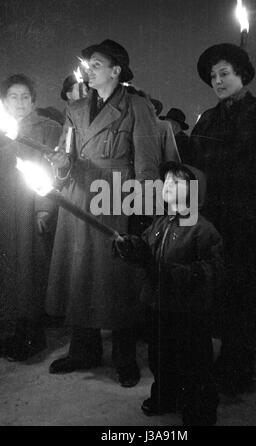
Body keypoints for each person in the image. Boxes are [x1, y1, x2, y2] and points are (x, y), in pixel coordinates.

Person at [45, 39, 161, 387]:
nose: (89, 69)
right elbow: (65, 154)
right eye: (88, 64)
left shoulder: (137, 105)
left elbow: (146, 163)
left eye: (97, 64)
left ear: (116, 70)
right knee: (80, 273)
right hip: (78, 196)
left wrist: (143, 212)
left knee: (118, 276)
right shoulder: (76, 109)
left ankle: (124, 355)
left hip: (115, 197)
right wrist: (61, 166)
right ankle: (83, 349)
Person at [189, 43, 256, 393]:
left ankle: (240, 368)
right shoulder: (208, 119)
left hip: (254, 224)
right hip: (218, 223)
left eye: (224, 73)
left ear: (242, 74)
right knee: (223, 295)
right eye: (213, 76)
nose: (218, 81)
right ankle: (230, 360)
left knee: (247, 296)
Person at [115, 161, 223, 425]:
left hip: (189, 312)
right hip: (158, 305)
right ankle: (165, 394)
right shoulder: (160, 224)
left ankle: (199, 407)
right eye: (167, 181)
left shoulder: (203, 230)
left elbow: (212, 269)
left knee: (193, 361)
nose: (168, 186)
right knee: (160, 357)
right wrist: (131, 246)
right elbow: (145, 248)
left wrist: (179, 273)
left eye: (177, 182)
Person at [0, 74, 62, 361]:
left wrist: (44, 207)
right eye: (13, 96)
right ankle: (11, 330)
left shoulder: (48, 128)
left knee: (31, 269)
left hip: (30, 208)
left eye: (25, 96)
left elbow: (50, 170)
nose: (20, 102)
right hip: (4, 207)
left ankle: (32, 332)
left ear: (34, 100)